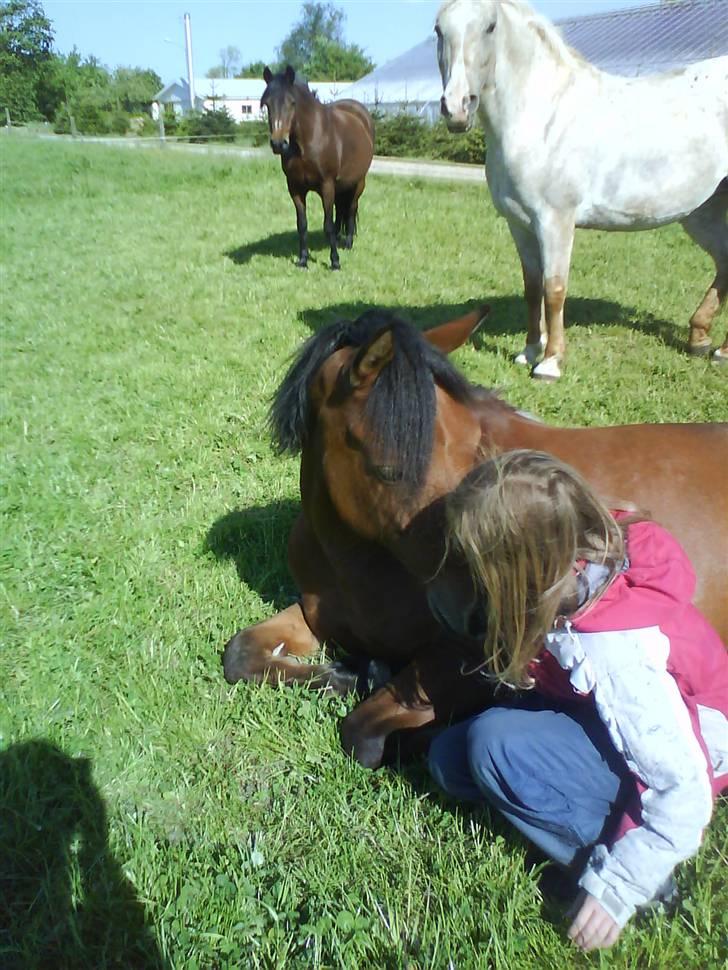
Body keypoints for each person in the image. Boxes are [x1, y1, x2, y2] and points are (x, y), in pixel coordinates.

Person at [428, 450, 728, 952]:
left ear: (522, 569)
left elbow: (683, 790)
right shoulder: (575, 559)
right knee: (451, 761)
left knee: (493, 747)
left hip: (690, 754)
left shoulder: (617, 653)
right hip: (611, 718)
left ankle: (632, 871)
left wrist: (620, 888)